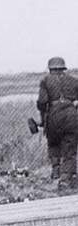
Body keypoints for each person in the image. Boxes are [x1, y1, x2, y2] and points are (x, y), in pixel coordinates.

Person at [36, 57, 78, 189]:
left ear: (50, 68)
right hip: (72, 115)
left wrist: (44, 117)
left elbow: (42, 102)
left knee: (53, 142)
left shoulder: (45, 80)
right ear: (63, 68)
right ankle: (67, 178)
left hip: (53, 115)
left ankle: (56, 171)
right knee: (70, 147)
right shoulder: (74, 81)